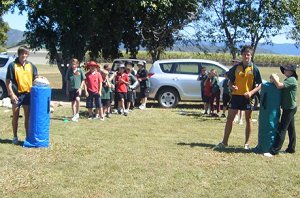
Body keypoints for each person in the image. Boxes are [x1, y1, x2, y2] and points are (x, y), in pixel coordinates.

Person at [216, 45, 262, 150]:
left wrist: (251, 93)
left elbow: (259, 84)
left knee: (248, 119)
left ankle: (247, 144)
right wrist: (232, 86)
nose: (247, 56)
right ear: (241, 55)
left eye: (248, 54)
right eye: (245, 54)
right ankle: (224, 142)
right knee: (229, 119)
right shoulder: (236, 67)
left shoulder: (254, 68)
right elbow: (229, 81)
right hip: (236, 96)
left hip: (248, 98)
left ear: (251, 55)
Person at [6, 45, 38, 144]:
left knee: (27, 116)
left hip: (28, 94)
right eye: (22, 53)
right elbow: (8, 81)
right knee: (15, 115)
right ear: (19, 54)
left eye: (26, 53)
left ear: (27, 54)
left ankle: (28, 137)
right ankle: (15, 137)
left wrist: (41, 80)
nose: (24, 55)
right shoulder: (12, 65)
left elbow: (36, 78)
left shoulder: (31, 65)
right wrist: (11, 94)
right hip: (16, 94)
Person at [264, 65, 298, 157]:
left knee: (282, 129)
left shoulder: (292, 80)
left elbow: (279, 86)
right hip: (290, 107)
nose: (284, 71)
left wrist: (273, 77)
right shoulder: (289, 79)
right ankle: (291, 148)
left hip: (289, 108)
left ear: (291, 71)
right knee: (291, 129)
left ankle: (274, 151)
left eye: (286, 70)